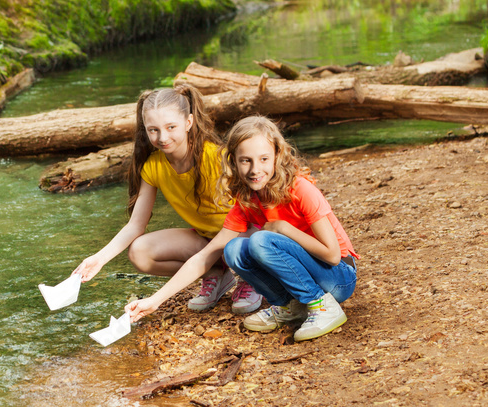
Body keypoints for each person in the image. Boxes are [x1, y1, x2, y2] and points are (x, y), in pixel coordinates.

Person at [124, 115, 358, 342]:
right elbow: (206, 255)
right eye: (246, 160)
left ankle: (321, 306)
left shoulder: (301, 189)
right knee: (233, 249)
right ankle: (289, 306)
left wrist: (283, 227)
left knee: (260, 241)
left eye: (264, 159)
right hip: (309, 277)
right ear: (233, 161)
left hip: (338, 278)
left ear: (277, 155)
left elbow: (333, 254)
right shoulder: (248, 199)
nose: (255, 169)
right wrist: (155, 301)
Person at [73, 86, 262, 314]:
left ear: (189, 122)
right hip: (207, 240)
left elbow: (258, 208)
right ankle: (216, 275)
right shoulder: (153, 166)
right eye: (153, 130)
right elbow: (136, 225)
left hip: (244, 235)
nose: (162, 137)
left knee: (243, 243)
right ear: (145, 129)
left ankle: (252, 278)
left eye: (171, 127)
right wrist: (99, 259)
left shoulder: (217, 157)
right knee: (140, 252)